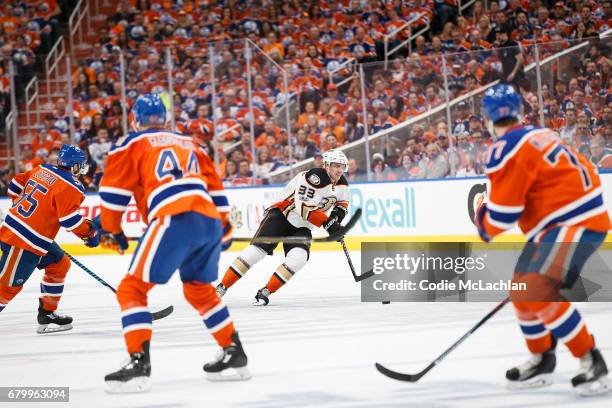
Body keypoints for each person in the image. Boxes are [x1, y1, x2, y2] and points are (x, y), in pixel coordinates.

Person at [96, 94, 250, 393]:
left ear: (135, 119)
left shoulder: (131, 143)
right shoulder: (191, 143)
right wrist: (224, 230)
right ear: (165, 120)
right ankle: (235, 353)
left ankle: (138, 363)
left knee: (132, 289)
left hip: (174, 216)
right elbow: (216, 189)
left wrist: (112, 231)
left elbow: (114, 194)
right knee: (199, 290)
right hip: (207, 219)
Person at [476, 84, 611, 396]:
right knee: (521, 288)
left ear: (488, 118)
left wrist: (481, 218)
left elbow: (500, 219)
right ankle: (542, 359)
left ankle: (591, 360)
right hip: (569, 221)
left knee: (536, 288)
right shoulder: (539, 134)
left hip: (572, 223)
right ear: (519, 112)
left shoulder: (506, 147)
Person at [216, 149, 351, 306]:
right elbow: (304, 208)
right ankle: (221, 287)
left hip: (302, 226)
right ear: (326, 165)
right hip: (281, 216)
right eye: (335, 165)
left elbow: (342, 206)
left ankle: (265, 291)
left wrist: (335, 222)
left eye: (342, 166)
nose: (339, 170)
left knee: (298, 259)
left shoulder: (342, 184)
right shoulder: (314, 177)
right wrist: (329, 225)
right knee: (254, 253)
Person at [0, 145, 100, 333]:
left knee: (59, 264)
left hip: (29, 236)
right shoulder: (73, 186)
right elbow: (69, 220)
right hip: (22, 242)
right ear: (75, 166)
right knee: (6, 289)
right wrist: (90, 233)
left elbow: (14, 184)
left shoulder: (42, 169)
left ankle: (47, 313)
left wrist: (25, 213)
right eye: (81, 165)